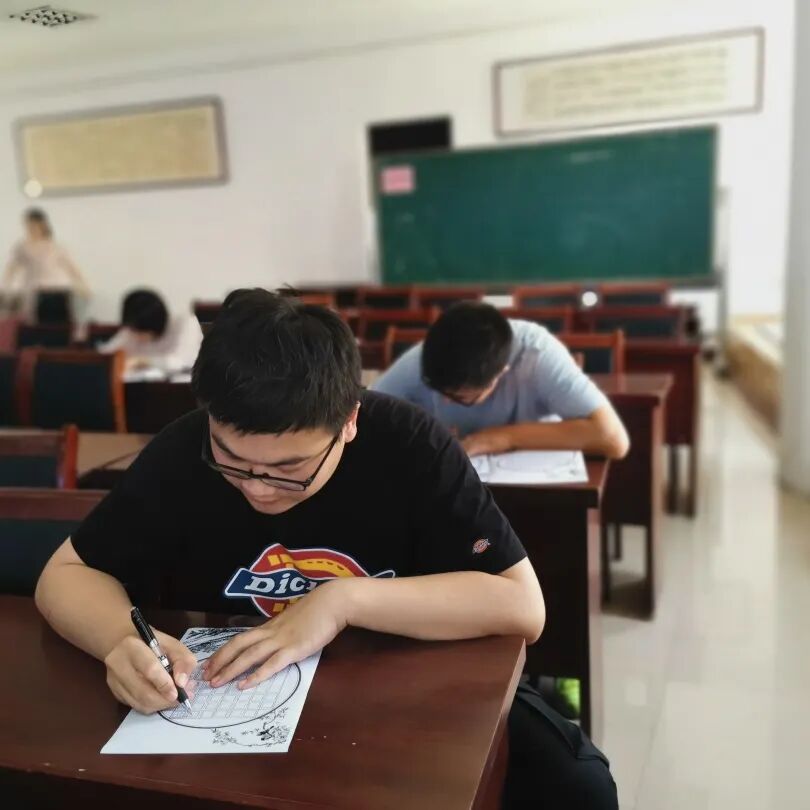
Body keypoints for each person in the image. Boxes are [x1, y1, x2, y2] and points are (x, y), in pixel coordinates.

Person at [35, 290, 617, 809]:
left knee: (576, 785)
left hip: (409, 693)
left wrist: (343, 601)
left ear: (349, 422)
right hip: (241, 710)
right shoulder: (181, 452)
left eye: (290, 468)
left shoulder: (412, 446)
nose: (259, 487)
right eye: (232, 460)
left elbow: (522, 607)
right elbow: (65, 573)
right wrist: (120, 640)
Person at [372, 301, 630, 461]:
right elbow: (362, 420)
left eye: (459, 398)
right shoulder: (423, 360)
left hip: (536, 484)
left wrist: (499, 438)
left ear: (500, 375)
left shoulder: (537, 355)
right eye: (436, 390)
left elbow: (613, 439)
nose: (442, 401)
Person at [2, 208, 90, 321]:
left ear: (43, 225)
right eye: (29, 225)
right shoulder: (22, 247)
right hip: (34, 293)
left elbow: (71, 268)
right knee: (35, 323)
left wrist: (83, 286)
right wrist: (6, 291)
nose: (32, 228)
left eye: (35, 225)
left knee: (58, 323)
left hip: (56, 293)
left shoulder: (55, 246)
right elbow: (11, 269)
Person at [101, 289, 203, 374]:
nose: (135, 336)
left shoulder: (186, 323)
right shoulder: (132, 330)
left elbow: (183, 362)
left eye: (139, 332)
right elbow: (105, 355)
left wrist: (142, 361)